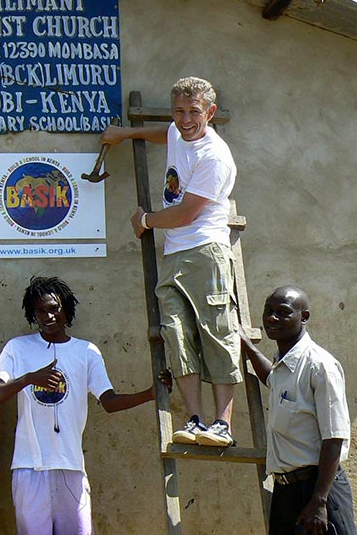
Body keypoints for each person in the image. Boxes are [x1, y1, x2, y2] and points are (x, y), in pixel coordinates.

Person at [101, 76, 241, 447]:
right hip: (176, 254)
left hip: (205, 251)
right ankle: (194, 419)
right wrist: (125, 134)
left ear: (209, 112)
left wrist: (144, 220)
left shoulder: (215, 156)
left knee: (215, 332)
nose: (185, 119)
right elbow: (164, 134)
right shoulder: (179, 133)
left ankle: (222, 424)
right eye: (179, 111)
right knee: (176, 334)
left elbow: (186, 214)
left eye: (194, 111)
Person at [0, 276, 172, 535]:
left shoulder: (87, 352)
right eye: (40, 310)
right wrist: (30, 379)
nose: (48, 316)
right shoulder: (18, 348)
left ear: (67, 309)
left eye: (54, 308)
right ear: (32, 314)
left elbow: (109, 402)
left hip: (71, 467)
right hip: (29, 468)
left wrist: (151, 393)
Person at [239, 285, 357, 534]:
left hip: (317, 490)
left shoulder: (319, 365)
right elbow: (271, 378)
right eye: (268, 311)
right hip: (286, 492)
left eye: (283, 312)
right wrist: (248, 347)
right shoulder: (284, 364)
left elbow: (334, 436)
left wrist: (319, 501)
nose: (272, 318)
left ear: (304, 317)